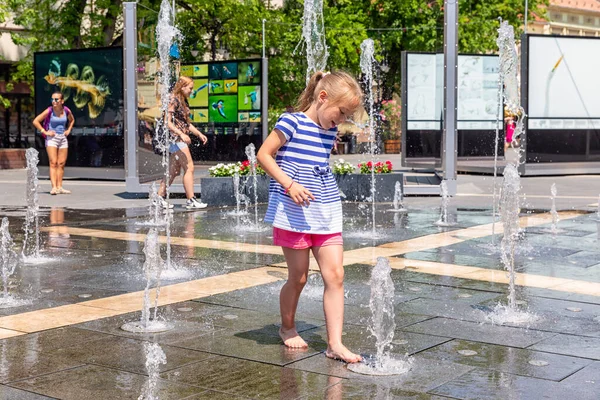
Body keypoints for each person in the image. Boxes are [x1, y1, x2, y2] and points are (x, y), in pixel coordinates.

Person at [256, 71, 363, 363]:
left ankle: (335, 344)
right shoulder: (291, 122)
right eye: (341, 112)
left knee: (336, 275)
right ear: (322, 97)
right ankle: (287, 327)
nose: (341, 120)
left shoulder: (330, 131)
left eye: (347, 115)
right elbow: (264, 155)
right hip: (294, 213)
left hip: (326, 209)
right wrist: (289, 184)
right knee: (299, 277)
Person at [157, 76, 208, 209]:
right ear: (182, 87)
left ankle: (159, 197)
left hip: (177, 138)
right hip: (176, 139)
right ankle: (191, 200)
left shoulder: (182, 100)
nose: (192, 91)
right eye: (190, 88)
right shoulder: (173, 99)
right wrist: (181, 134)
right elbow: (166, 122)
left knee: (173, 170)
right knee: (189, 167)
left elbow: (186, 124)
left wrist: (199, 134)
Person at [32, 91, 75, 195]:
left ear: (62, 101)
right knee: (53, 162)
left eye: (56, 99)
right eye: (52, 99)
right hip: (52, 138)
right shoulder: (49, 111)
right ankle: (54, 187)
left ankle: (60, 187)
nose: (54, 101)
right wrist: (45, 132)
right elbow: (36, 121)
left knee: (61, 163)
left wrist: (69, 130)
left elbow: (72, 120)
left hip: (63, 138)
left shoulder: (66, 110)